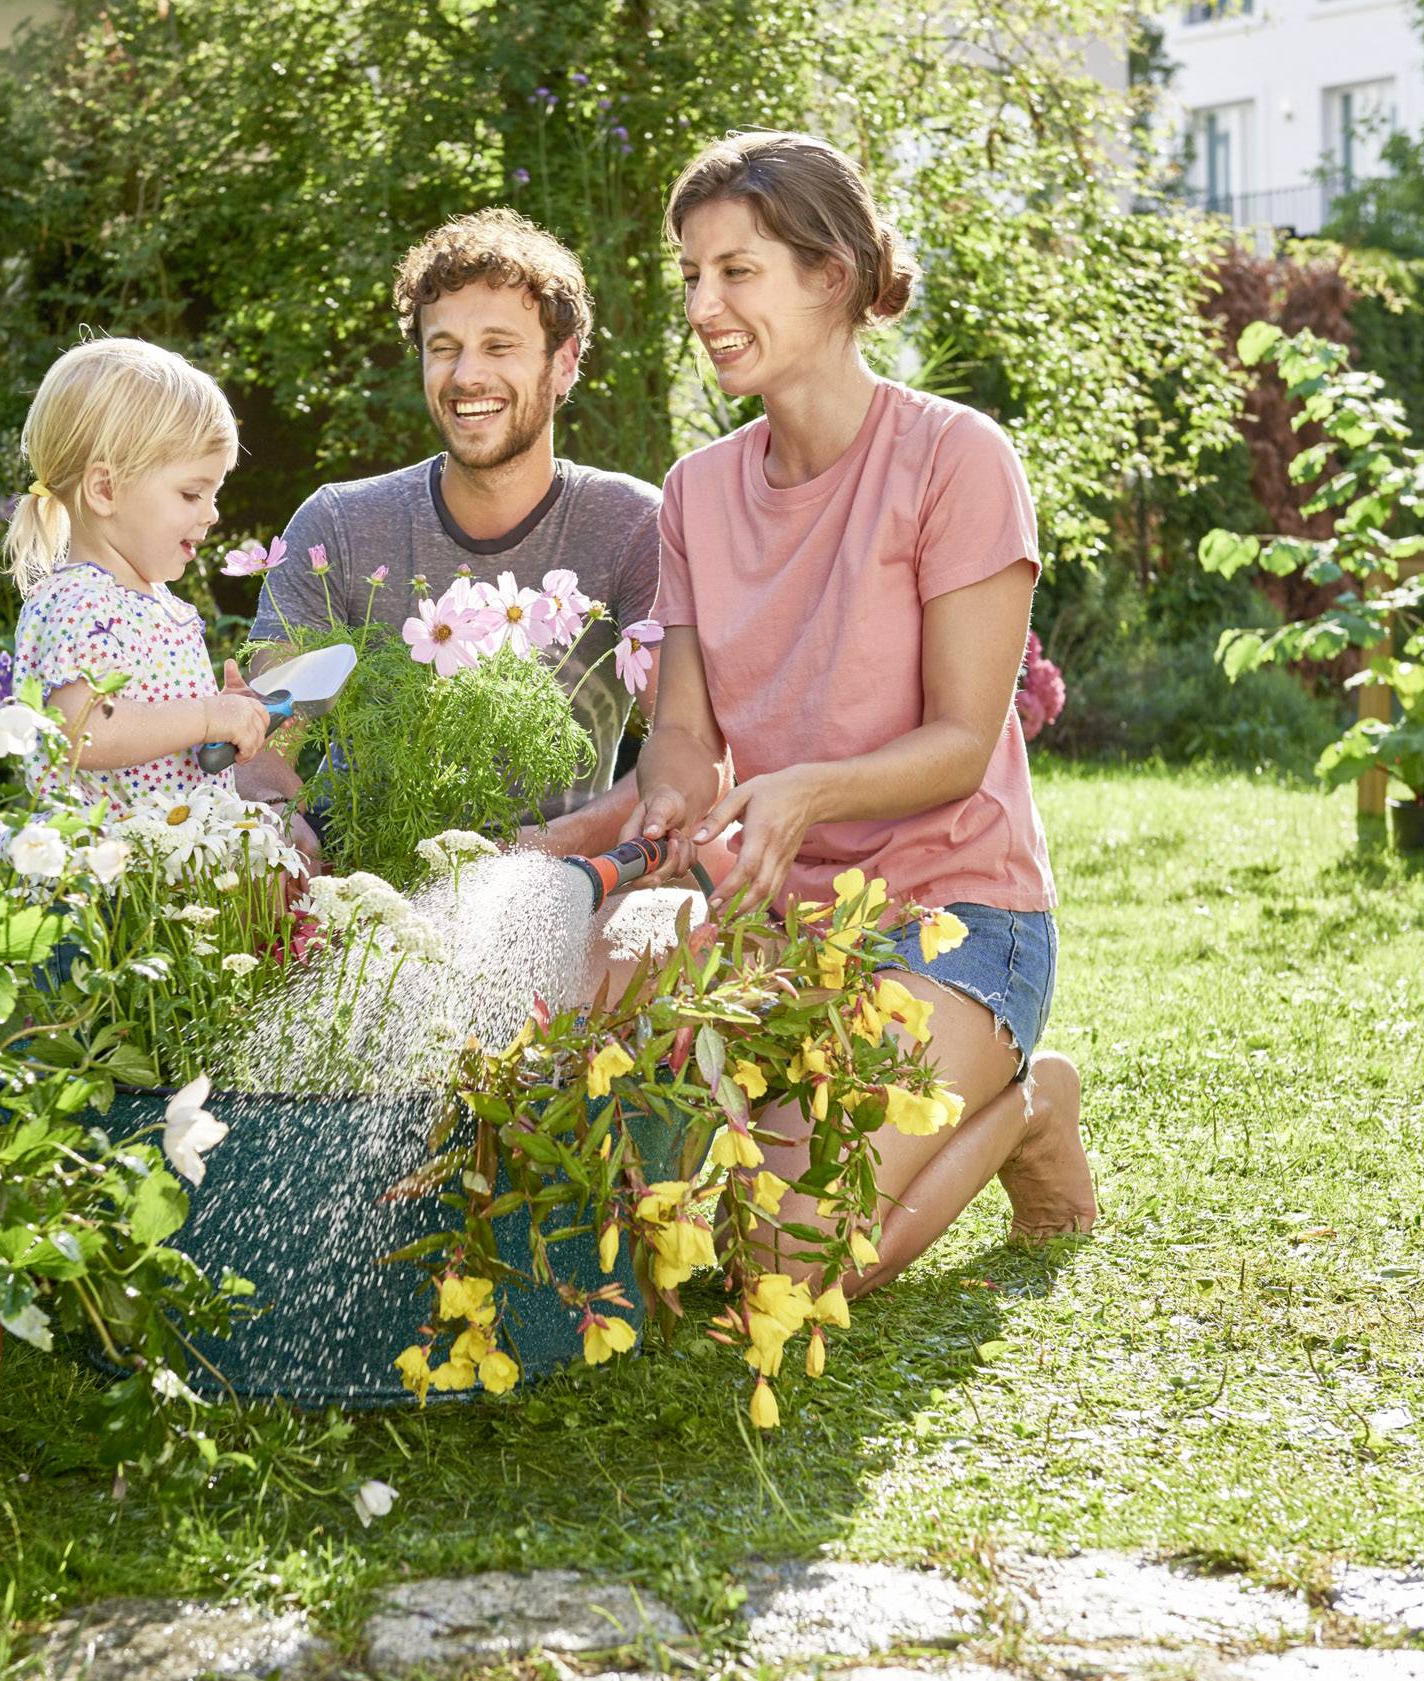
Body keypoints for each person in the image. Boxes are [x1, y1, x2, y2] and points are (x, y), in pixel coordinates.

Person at [627, 130, 1095, 1297]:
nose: (704, 303)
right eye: (691, 275)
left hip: (956, 915)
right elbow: (683, 726)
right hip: (778, 921)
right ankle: (966, 1104)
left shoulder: (953, 458)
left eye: (738, 270)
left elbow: (960, 743)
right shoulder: (694, 491)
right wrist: (675, 790)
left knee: (792, 1260)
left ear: (831, 274)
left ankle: (1031, 1105)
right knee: (675, 1233)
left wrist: (807, 791)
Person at [245, 209, 661, 857]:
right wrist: (280, 828)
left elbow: (691, 744)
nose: (467, 375)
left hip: (546, 894)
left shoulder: (633, 525)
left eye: (499, 346)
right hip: (353, 883)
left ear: (565, 363)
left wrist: (529, 855)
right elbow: (263, 738)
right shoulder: (340, 527)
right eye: (444, 348)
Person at [5, 337, 273, 812]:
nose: (211, 514)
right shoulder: (78, 602)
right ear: (106, 489)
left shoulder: (158, 605)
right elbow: (82, 732)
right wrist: (205, 716)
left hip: (166, 871)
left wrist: (223, 718)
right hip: (105, 875)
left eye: (214, 494)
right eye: (192, 494)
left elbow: (161, 735)